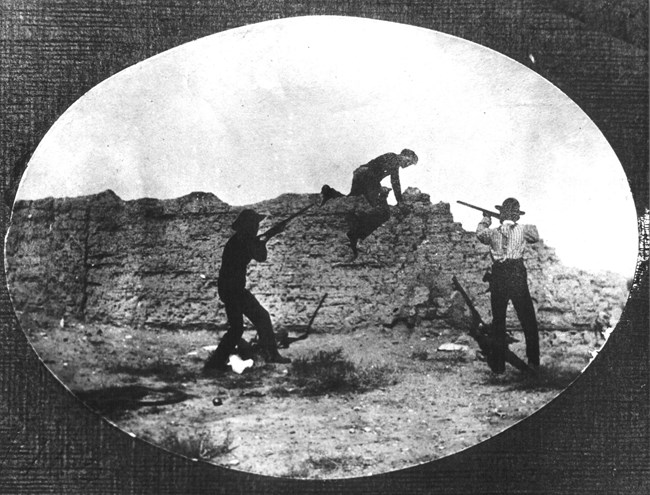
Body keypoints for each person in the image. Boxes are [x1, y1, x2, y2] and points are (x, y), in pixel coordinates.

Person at [204, 209, 290, 372]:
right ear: (247, 226)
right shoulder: (242, 241)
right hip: (233, 290)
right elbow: (261, 256)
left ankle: (216, 362)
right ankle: (270, 355)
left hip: (231, 289)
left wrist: (265, 238)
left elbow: (257, 251)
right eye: (254, 224)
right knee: (256, 320)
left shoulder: (240, 239)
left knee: (241, 327)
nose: (256, 227)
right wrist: (266, 238)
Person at [476, 198, 540, 373]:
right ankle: (534, 362)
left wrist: (486, 219)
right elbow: (535, 236)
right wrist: (514, 223)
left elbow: (480, 233)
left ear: (501, 214)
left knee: (499, 321)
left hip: (499, 274)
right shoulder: (523, 230)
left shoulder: (491, 233)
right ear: (517, 216)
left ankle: (498, 366)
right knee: (527, 318)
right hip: (516, 273)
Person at [320, 149, 419, 257]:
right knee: (383, 213)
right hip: (368, 177)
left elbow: (390, 178)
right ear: (404, 156)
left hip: (360, 173)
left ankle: (330, 193)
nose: (408, 165)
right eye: (409, 161)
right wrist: (397, 201)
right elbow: (395, 182)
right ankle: (356, 234)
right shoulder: (394, 159)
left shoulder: (392, 159)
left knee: (352, 198)